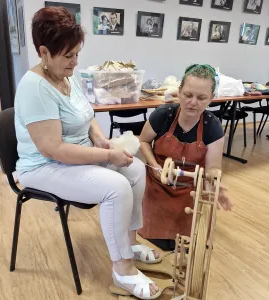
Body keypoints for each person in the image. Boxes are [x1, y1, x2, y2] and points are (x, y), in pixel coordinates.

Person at [14, 7, 161, 300]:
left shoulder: (68, 76)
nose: (75, 61)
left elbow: (87, 114)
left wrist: (101, 140)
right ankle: (123, 269)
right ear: (44, 52)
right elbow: (53, 149)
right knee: (116, 186)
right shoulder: (34, 88)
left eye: (77, 54)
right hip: (42, 166)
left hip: (73, 156)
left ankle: (128, 243)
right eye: (68, 56)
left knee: (134, 169)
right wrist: (106, 156)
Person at [138, 64, 233, 251]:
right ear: (179, 92)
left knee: (187, 244)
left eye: (201, 98)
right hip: (158, 183)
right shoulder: (163, 115)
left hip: (190, 188)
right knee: (156, 242)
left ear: (211, 99)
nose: (193, 102)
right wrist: (154, 165)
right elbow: (143, 142)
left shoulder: (213, 126)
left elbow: (213, 166)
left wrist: (215, 183)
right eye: (188, 95)